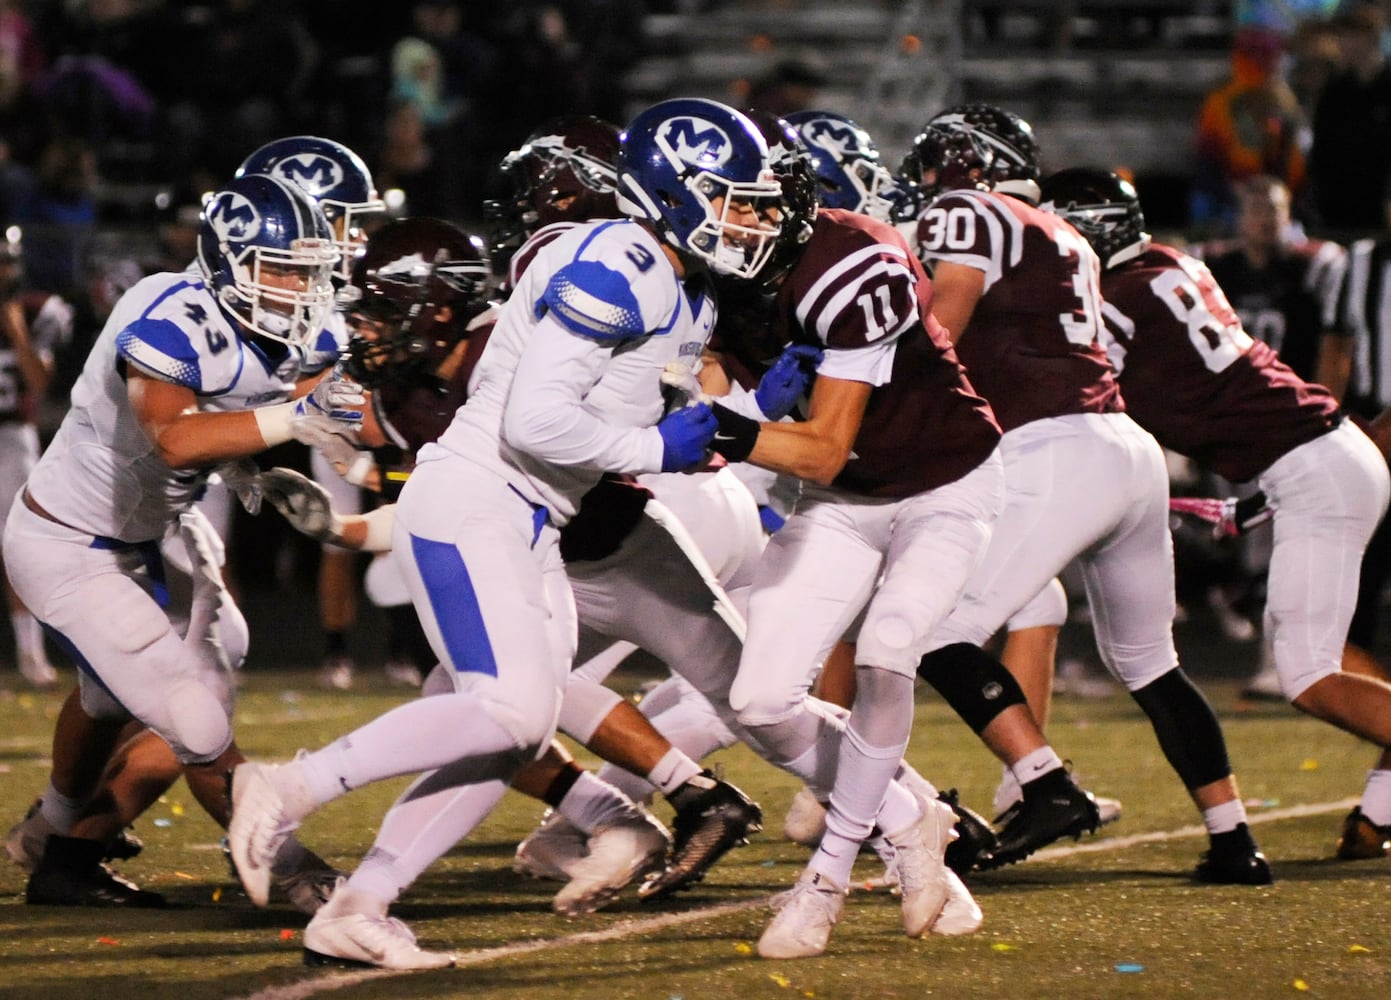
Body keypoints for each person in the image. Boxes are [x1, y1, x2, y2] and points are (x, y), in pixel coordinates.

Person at [224, 97, 786, 970]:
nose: (753, 219)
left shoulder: (680, 284)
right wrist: (653, 446)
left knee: (515, 729)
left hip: (534, 516)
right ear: (675, 192)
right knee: (505, 708)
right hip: (480, 494)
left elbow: (648, 407)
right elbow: (535, 423)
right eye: (736, 199)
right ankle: (287, 785)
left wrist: (754, 411)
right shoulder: (622, 259)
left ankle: (360, 906)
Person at [903, 105, 1271, 884]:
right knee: (1150, 663)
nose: (929, 180)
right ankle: (1233, 840)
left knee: (931, 631)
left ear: (972, 163)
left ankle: (1044, 785)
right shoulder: (1057, 232)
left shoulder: (972, 212)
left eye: (940, 161)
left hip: (1055, 445)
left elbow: (942, 326)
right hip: (1120, 448)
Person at [679, 109, 1006, 960]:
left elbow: (820, 448)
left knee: (887, 651)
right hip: (850, 501)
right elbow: (714, 384)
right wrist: (727, 409)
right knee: (756, 702)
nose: (735, 224)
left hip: (944, 480)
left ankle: (825, 878)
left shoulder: (848, 263)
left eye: (750, 205)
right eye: (719, 204)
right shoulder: (699, 277)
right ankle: (909, 820)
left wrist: (723, 427)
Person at [1, 172, 364, 908]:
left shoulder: (296, 322)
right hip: (68, 541)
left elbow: (339, 416)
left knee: (143, 688)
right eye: (284, 268)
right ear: (231, 261)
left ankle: (60, 844)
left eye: (307, 268)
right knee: (191, 710)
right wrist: (290, 424)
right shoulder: (167, 313)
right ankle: (281, 862)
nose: (301, 286)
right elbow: (171, 436)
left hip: (154, 532)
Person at [1043, 165, 1391, 862]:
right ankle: (1379, 814)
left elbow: (1073, 392)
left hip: (1312, 465)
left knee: (1308, 675)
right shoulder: (1168, 264)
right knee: (1322, 659)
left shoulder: (1118, 301)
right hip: (1316, 456)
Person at [234, 135, 412, 689]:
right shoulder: (271, 292)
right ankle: (338, 649)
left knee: (406, 523)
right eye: (344, 220)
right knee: (342, 535)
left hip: (376, 421)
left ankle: (404, 648)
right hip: (330, 423)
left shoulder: (354, 278)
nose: (359, 236)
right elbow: (288, 383)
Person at [0, 227, 68, 687]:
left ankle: (30, 651)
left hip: (13, 438)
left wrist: (16, 329)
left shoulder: (33, 311)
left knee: (17, 547)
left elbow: (41, 385)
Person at [1310, 5, 1391, 237]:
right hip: (1338, 211)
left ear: (1370, 37)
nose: (1342, 44)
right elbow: (1321, 151)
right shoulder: (1335, 92)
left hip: (1381, 212)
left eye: (1349, 36)